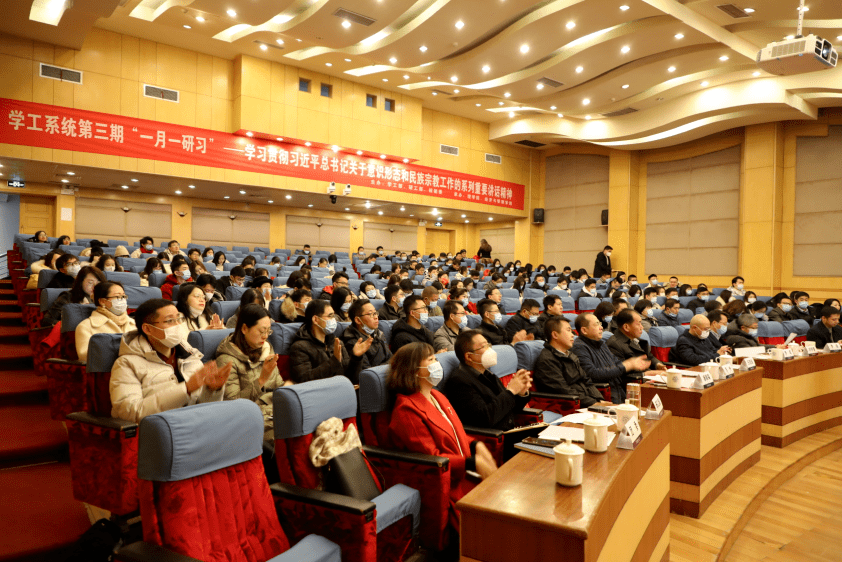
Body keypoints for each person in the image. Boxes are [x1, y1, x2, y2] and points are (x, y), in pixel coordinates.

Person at [386, 343, 497, 549]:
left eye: (435, 358)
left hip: (464, 477)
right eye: (430, 360)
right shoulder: (406, 410)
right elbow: (433, 459)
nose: (437, 363)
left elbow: (456, 434)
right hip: (446, 487)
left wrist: (476, 444)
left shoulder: (437, 395)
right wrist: (471, 463)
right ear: (414, 370)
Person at [109, 299, 230, 422]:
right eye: (170, 321)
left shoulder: (190, 355)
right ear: (148, 329)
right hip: (160, 428)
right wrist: (186, 389)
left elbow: (202, 408)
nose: (177, 325)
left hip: (195, 424)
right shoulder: (126, 364)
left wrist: (212, 390)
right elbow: (128, 411)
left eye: (179, 319)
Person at [215, 304, 284, 443]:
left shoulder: (266, 349)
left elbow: (280, 386)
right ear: (244, 329)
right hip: (250, 420)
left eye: (268, 331)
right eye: (262, 331)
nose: (265, 336)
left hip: (274, 411)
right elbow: (233, 405)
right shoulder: (226, 360)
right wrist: (261, 381)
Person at [443, 330, 532, 431]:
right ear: (469, 356)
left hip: (510, 429)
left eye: (488, 345)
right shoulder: (459, 381)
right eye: (483, 346)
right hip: (494, 437)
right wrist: (511, 391)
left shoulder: (487, 374)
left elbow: (509, 407)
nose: (489, 349)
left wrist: (521, 393)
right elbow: (483, 419)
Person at [288, 299, 370, 384]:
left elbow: (350, 378)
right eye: (330, 316)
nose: (334, 320)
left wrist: (356, 358)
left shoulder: (336, 342)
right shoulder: (299, 347)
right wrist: (333, 361)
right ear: (316, 320)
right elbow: (303, 379)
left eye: (333, 316)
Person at [572, 313, 650, 403]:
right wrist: (626, 366)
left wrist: (639, 370)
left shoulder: (601, 344)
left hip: (618, 391)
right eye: (596, 324)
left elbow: (616, 363)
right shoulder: (579, 347)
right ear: (584, 330)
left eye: (600, 324)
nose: (601, 327)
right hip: (603, 396)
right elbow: (592, 374)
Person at [533, 317, 604, 407]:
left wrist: (600, 400)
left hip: (586, 402)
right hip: (569, 406)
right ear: (555, 335)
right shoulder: (547, 360)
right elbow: (564, 390)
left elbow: (587, 382)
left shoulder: (571, 355)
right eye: (568, 330)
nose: (573, 335)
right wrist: (594, 403)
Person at [75, 281, 136, 362]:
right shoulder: (86, 326)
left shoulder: (134, 323)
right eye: (117, 297)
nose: (123, 300)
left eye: (123, 296)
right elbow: (84, 356)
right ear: (102, 301)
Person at [606, 310, 667, 376]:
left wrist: (657, 364)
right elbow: (620, 374)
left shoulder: (636, 339)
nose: (642, 327)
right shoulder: (614, 344)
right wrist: (647, 374)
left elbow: (649, 357)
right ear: (626, 327)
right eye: (639, 324)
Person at [41, 266, 105, 327]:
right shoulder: (68, 297)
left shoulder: (104, 298)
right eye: (90, 283)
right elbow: (47, 321)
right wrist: (72, 321)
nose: (94, 287)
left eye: (98, 283)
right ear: (81, 282)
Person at [342, 299, 392, 369]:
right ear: (358, 320)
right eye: (370, 314)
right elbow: (367, 371)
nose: (376, 317)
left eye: (375, 313)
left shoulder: (378, 333)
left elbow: (391, 358)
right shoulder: (353, 343)